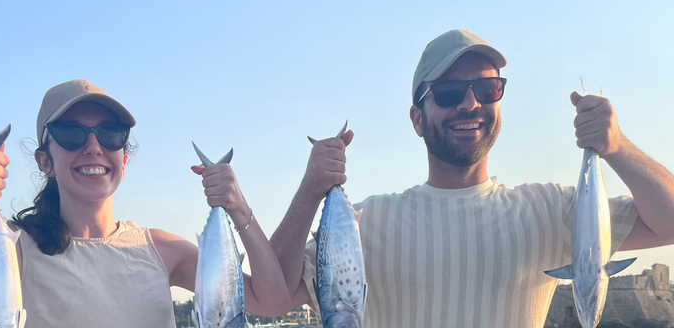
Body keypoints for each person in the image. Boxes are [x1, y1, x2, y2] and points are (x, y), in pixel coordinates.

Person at [270, 29, 674, 328]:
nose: (471, 103)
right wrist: (309, 193)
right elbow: (271, 296)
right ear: (417, 119)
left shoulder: (552, 211)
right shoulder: (364, 222)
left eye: (488, 88)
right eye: (448, 93)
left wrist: (618, 146)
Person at [0, 79, 291, 327]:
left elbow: (271, 302)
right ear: (45, 161)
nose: (93, 147)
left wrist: (239, 209)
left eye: (110, 133)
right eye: (71, 133)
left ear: (124, 159)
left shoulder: (161, 249)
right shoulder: (11, 250)